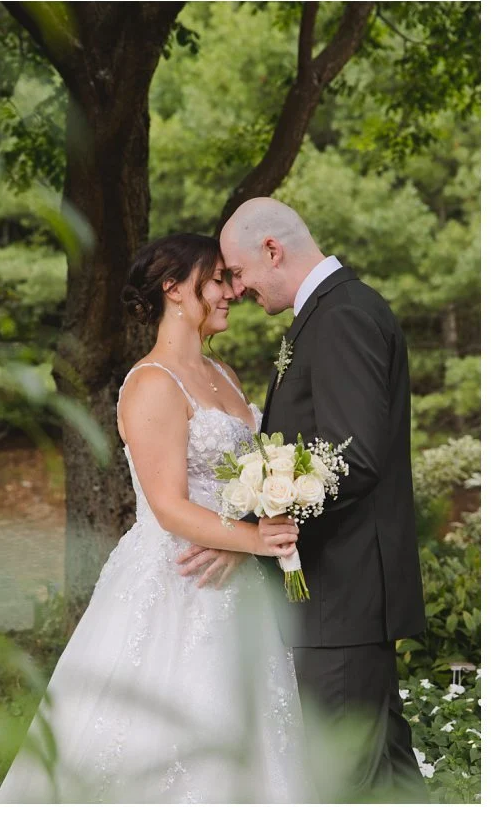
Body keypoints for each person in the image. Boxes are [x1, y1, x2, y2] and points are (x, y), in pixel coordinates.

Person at [0, 233, 308, 803]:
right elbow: (167, 506)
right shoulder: (151, 382)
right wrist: (259, 540)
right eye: (217, 280)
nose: (231, 292)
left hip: (235, 575)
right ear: (174, 290)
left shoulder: (225, 374)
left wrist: (253, 534)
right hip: (179, 578)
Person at [219, 197, 427, 800]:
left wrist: (270, 510)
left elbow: (354, 456)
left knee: (344, 787)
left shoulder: (342, 316)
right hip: (346, 595)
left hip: (342, 592)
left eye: (236, 272)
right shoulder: (332, 311)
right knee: (388, 776)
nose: (236, 289)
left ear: (272, 251)